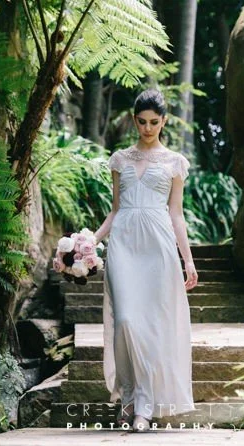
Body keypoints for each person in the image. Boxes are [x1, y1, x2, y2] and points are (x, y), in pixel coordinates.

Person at [93, 89, 198, 432]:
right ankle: (127, 396)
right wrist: (88, 242)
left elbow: (176, 214)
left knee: (150, 327)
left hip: (158, 247)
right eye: (142, 122)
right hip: (123, 244)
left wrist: (188, 260)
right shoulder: (119, 160)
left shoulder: (174, 162)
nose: (148, 128)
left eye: (154, 122)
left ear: (164, 121)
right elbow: (115, 210)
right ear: (134, 120)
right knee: (125, 321)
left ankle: (144, 407)